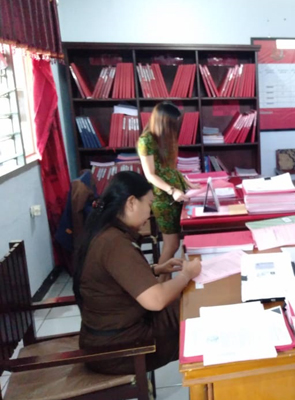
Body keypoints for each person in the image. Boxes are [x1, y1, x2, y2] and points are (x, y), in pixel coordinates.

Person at [73, 171, 202, 374]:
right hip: (120, 347)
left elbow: (112, 278)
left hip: (111, 335)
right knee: (197, 315)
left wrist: (155, 269)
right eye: (149, 204)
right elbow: (156, 301)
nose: (150, 213)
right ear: (131, 202)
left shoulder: (105, 231)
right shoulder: (114, 242)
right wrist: (186, 275)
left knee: (191, 305)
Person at [138, 101, 197, 268]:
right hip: (164, 198)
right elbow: (150, 174)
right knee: (172, 245)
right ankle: (161, 280)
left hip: (176, 194)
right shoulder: (146, 141)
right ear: (163, 122)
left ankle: (167, 280)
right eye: (173, 123)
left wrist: (187, 183)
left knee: (174, 244)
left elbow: (170, 168)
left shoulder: (164, 138)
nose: (175, 127)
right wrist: (172, 191)